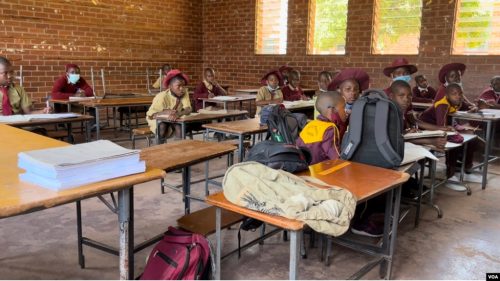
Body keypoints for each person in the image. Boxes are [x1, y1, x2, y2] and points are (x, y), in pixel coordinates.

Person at [420, 83, 477, 179]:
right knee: (454, 141)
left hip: (440, 127)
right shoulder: (442, 105)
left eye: (460, 94)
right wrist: (452, 129)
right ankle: (450, 173)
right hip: (427, 128)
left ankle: (465, 166)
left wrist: (474, 108)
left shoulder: (457, 102)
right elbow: (441, 125)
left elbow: (469, 107)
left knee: (471, 138)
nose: (458, 96)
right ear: (447, 95)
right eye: (454, 94)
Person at [390, 80, 446, 149]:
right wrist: (431, 141)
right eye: (401, 96)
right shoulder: (389, 113)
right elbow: (396, 138)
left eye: (409, 96)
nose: (406, 99)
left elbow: (414, 121)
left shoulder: (407, 106)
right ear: (391, 96)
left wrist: (442, 128)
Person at [296, 91, 347, 165]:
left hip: (304, 166)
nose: (345, 111)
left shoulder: (310, 124)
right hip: (319, 170)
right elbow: (336, 157)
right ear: (332, 110)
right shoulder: (330, 128)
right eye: (343, 107)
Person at [146, 70, 192, 140]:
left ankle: (179, 149)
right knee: (162, 126)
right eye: (178, 86)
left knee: (179, 126)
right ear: (170, 86)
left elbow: (188, 109)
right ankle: (160, 147)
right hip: (157, 119)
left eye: (183, 86)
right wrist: (164, 112)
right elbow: (151, 115)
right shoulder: (162, 97)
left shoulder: (184, 92)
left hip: (174, 118)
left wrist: (178, 114)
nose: (182, 88)